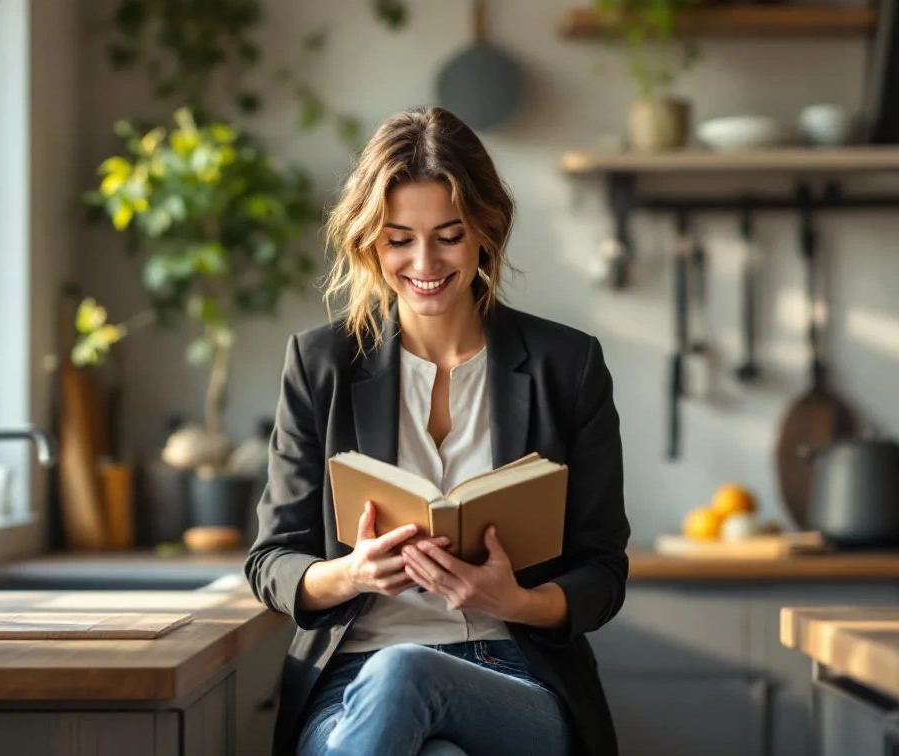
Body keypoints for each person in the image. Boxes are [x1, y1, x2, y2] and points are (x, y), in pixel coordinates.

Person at [244, 105, 630, 756]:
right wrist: (353, 576)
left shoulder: (568, 366)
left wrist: (517, 601)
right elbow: (271, 562)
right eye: (399, 238)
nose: (424, 261)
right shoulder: (321, 365)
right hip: (352, 679)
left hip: (518, 678)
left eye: (449, 235)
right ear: (370, 240)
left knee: (408, 671)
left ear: (487, 230)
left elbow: (603, 572)